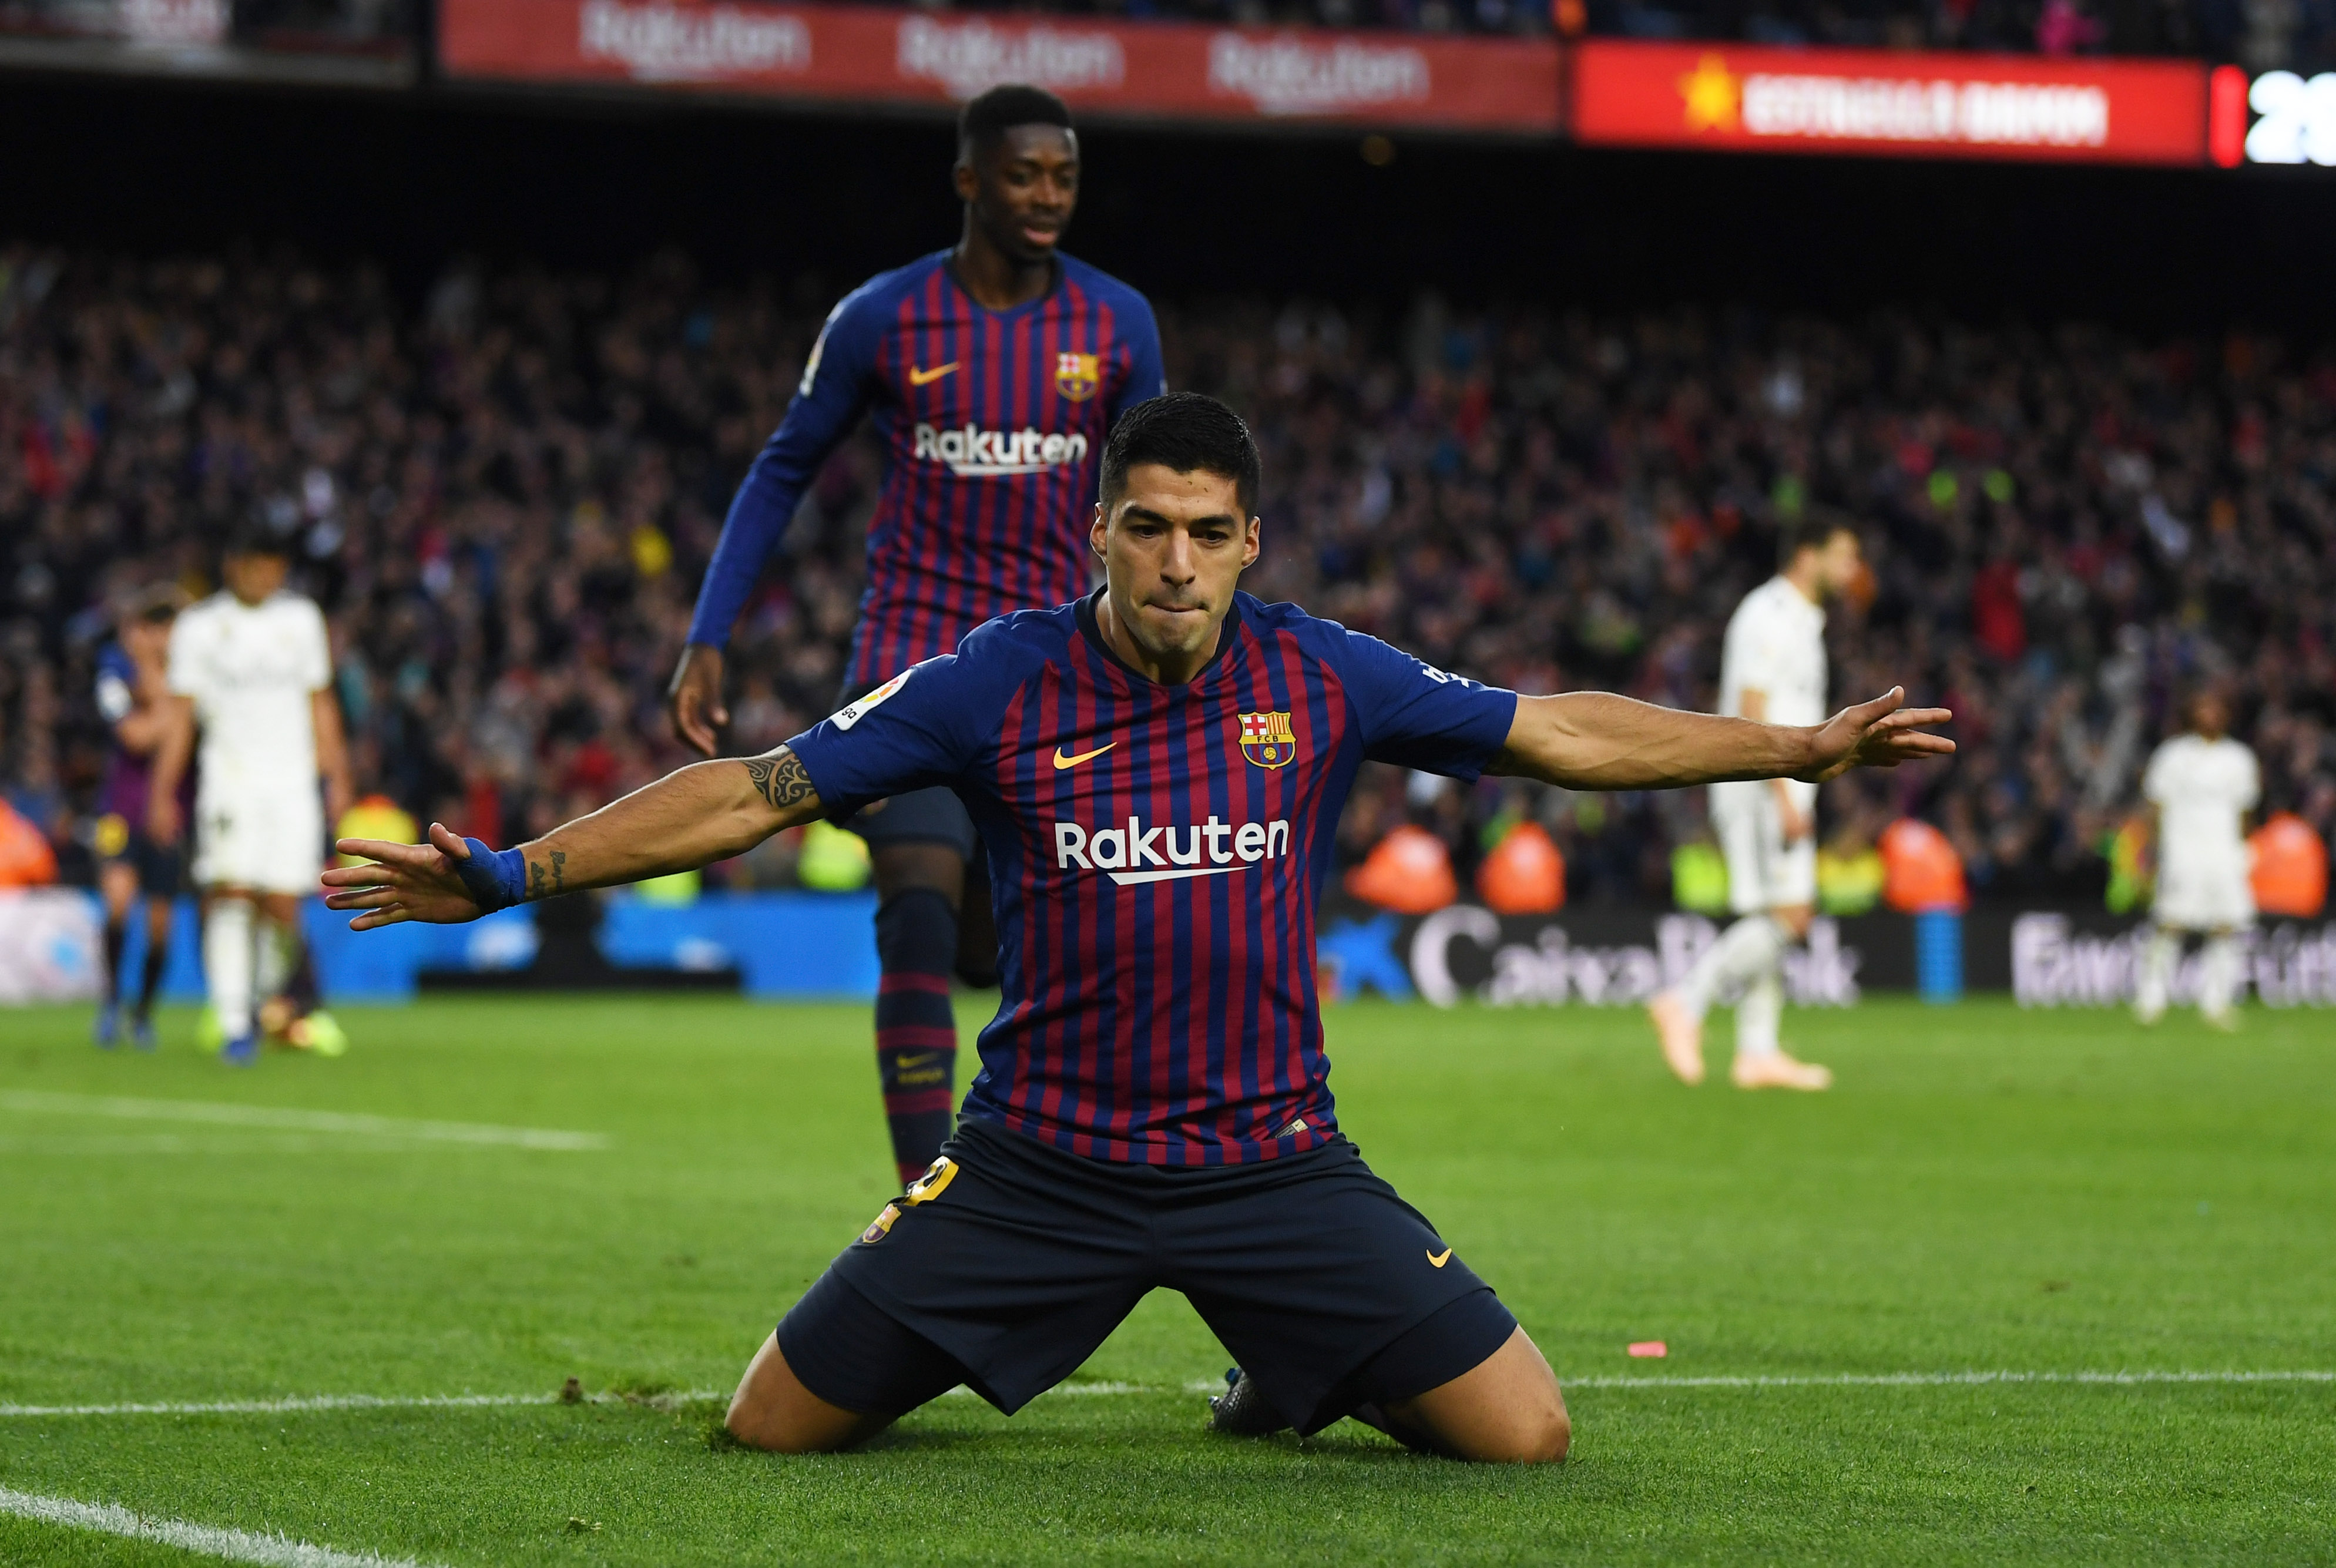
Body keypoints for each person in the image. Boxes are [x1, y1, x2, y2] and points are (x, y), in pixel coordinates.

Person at [330, 394, 1951, 1460]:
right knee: (771, 1425)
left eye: (1209, 531)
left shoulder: (1323, 671)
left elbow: (1560, 731)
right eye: (1147, 525)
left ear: (1255, 542)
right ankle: (1270, 1351)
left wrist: (1800, 747)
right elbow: (759, 787)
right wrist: (516, 871)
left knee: (1527, 1432)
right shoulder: (996, 675)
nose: (1177, 560)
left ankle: (1286, 1352)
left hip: (1272, 1162)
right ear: (1099, 530)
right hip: (1040, 1159)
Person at [666, 83, 1166, 1186]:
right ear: (969, 182)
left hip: (1060, 670)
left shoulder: (1116, 323)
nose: (1047, 196)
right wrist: (710, 631)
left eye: (1064, 176)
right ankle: (922, 1211)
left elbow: (1159, 495)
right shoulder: (883, 318)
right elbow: (783, 466)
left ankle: (1076, 1180)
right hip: (917, 656)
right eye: (1025, 174)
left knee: (1046, 954)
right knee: (918, 907)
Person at [1647, 516, 1867, 1091]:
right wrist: (1782, 793)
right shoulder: (1768, 614)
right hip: (1761, 780)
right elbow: (1751, 704)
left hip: (1778, 780)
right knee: (1792, 913)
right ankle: (1685, 1000)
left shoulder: (1800, 617)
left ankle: (1757, 1051)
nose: (1850, 571)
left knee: (1769, 910)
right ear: (1805, 554)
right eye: (1842, 556)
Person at [150, 522, 354, 1065]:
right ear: (233, 565)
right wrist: (162, 789)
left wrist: (338, 776)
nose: (266, 575)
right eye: (256, 563)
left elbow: (320, 701)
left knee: (285, 905)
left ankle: (262, 1000)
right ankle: (236, 1020)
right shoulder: (200, 626)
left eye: (274, 566)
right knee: (232, 890)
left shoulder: (301, 621)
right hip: (230, 779)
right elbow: (181, 715)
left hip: (292, 782)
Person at [90, 583, 189, 1049]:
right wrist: (170, 713)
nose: (161, 637)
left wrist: (161, 710)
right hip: (120, 810)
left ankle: (144, 1013)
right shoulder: (113, 670)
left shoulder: (194, 674)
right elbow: (134, 736)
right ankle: (110, 1001)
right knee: (117, 902)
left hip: (171, 813)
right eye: (154, 627)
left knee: (160, 923)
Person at [2134, 689, 2260, 1030]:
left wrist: (2241, 851)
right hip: (2182, 851)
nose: (2210, 714)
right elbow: (2155, 806)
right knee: (2171, 922)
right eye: (2204, 706)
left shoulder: (2239, 759)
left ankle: (2216, 1002)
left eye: (2216, 707)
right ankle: (2151, 998)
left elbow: (2245, 811)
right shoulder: (2173, 755)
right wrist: (2154, 849)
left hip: (2223, 852)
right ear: (2191, 712)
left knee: (2225, 926)